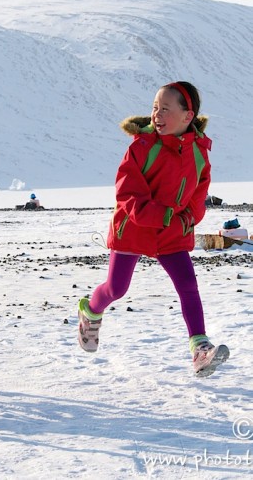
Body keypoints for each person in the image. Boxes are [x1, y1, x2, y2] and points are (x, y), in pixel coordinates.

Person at [77, 81, 229, 377]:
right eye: (154, 108)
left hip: (172, 231)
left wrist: (187, 219)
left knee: (188, 286)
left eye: (165, 109)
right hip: (133, 229)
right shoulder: (141, 147)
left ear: (188, 116)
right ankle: (91, 311)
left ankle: (200, 349)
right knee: (116, 289)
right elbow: (127, 193)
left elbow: (199, 193)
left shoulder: (199, 152)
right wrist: (162, 216)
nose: (156, 115)